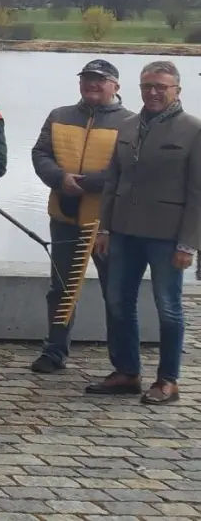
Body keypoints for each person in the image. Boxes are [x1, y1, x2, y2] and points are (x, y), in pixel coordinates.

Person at [86, 60, 200, 406]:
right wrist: (104, 227)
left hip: (166, 236)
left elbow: (198, 192)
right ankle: (127, 372)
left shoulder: (192, 130)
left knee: (168, 309)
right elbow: (113, 181)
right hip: (123, 231)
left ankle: (168, 380)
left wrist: (188, 243)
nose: (152, 93)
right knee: (118, 302)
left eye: (160, 87)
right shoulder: (127, 125)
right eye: (147, 86)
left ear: (176, 91)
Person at [28, 59, 133, 374]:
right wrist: (60, 178)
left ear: (116, 85)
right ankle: (55, 351)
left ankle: (122, 362)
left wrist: (87, 183)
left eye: (100, 80)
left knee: (114, 291)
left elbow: (128, 168)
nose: (92, 84)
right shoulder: (59, 116)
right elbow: (40, 153)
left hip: (109, 224)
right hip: (65, 217)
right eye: (87, 78)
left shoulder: (131, 123)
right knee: (60, 288)